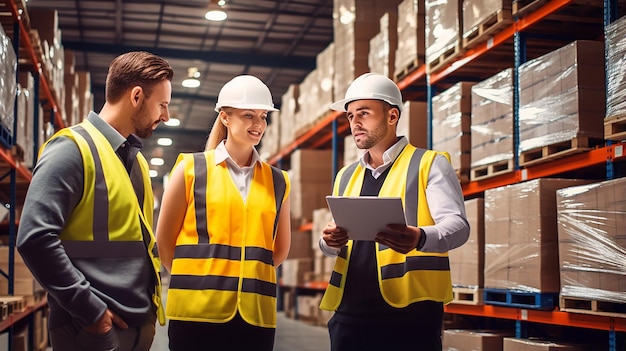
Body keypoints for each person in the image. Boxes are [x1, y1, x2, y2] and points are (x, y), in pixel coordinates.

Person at [17, 51, 173, 351]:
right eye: (162, 105)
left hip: (138, 325)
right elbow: (35, 238)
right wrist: (92, 313)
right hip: (93, 329)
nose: (165, 116)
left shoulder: (137, 163)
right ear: (137, 96)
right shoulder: (71, 149)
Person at [319, 73, 470, 351]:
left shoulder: (428, 164)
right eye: (351, 116)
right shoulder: (345, 175)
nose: (355, 123)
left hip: (410, 316)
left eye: (363, 113)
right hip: (350, 314)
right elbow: (335, 243)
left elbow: (458, 226)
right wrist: (327, 242)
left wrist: (420, 237)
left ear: (392, 116)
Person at [156, 75, 291, 351]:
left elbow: (278, 251)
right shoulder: (190, 169)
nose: (258, 124)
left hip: (255, 315)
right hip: (196, 313)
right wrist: (198, 278)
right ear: (226, 117)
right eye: (248, 115)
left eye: (263, 116)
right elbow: (164, 242)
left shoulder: (279, 181)